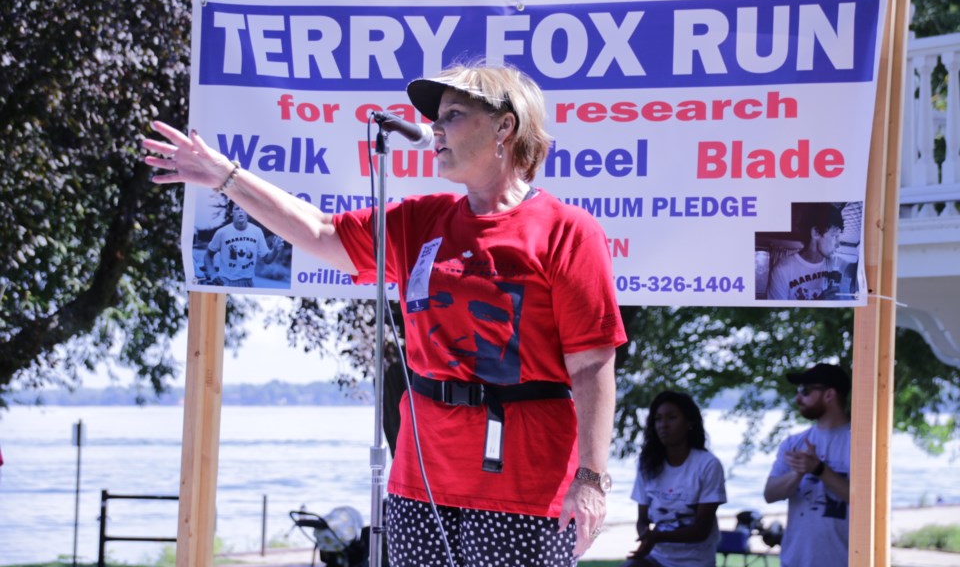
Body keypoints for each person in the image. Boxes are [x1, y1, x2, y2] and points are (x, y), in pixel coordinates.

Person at [142, 63, 627, 566]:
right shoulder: (422, 220)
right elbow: (322, 233)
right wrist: (227, 177)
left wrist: (591, 479)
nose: (436, 128)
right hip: (421, 484)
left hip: (524, 490)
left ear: (505, 126)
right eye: (436, 118)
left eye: (454, 115)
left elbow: (592, 366)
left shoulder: (568, 231)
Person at [620, 390, 726, 567]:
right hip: (657, 558)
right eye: (658, 419)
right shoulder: (647, 464)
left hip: (696, 562)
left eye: (672, 417)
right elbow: (642, 519)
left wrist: (657, 537)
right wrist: (645, 536)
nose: (663, 425)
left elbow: (702, 530)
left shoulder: (708, 465)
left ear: (689, 423)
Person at [764, 363, 851, 567]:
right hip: (794, 561)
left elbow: (867, 502)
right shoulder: (793, 443)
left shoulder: (861, 443)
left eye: (805, 391)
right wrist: (797, 473)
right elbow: (770, 494)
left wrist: (819, 470)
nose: (798, 398)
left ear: (829, 395)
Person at [767, 203, 845, 301]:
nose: (838, 245)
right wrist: (820, 302)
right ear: (816, 233)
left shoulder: (831, 263)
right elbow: (778, 312)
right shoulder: (782, 270)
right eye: (834, 236)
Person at [202, 204, 283, 287]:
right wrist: (213, 274)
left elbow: (267, 259)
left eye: (243, 208)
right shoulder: (222, 232)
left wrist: (275, 250)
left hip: (248, 282)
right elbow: (208, 255)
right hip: (226, 281)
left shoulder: (257, 232)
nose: (240, 211)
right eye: (237, 209)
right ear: (231, 212)